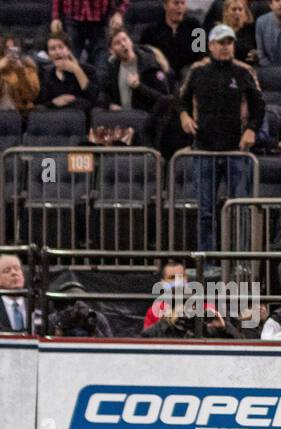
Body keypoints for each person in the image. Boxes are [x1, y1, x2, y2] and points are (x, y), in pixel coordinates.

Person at [178, 24, 265, 253]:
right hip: (204, 148)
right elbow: (181, 99)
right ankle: (206, 261)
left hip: (235, 149)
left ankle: (241, 260)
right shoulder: (197, 71)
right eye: (221, 43)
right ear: (211, 46)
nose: (226, 47)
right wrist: (184, 115)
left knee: (240, 209)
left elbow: (259, 105)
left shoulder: (244, 71)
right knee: (205, 210)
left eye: (229, 43)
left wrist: (252, 129)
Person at [101, 29, 174, 114]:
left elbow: (165, 99)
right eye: (117, 43)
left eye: (125, 39)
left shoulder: (149, 64)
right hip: (122, 118)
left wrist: (139, 87)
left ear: (131, 41)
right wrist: (110, 105)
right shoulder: (112, 68)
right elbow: (103, 94)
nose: (123, 44)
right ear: (111, 50)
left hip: (146, 118)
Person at [49, 0, 124, 69]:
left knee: (101, 65)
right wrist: (56, 17)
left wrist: (119, 13)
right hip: (73, 16)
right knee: (69, 63)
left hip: (99, 20)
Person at [141, 0, 204, 80]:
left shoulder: (195, 26)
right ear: (165, 6)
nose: (180, 6)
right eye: (176, 3)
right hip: (162, 76)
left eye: (182, 3)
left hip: (188, 76)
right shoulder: (151, 31)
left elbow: (201, 55)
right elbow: (144, 54)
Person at [38, 33, 96, 110]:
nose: (57, 52)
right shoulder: (46, 74)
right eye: (52, 49)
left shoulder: (88, 70)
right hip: (56, 116)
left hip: (81, 115)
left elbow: (94, 98)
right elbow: (42, 101)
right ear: (48, 54)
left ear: (68, 50)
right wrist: (54, 102)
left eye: (61, 47)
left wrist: (77, 70)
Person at [143, 259, 189, 329]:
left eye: (180, 276)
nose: (177, 281)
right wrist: (166, 322)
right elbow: (146, 337)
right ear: (163, 282)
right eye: (172, 277)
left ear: (186, 278)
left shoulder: (200, 305)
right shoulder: (154, 311)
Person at [0, 37, 40, 114]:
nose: (11, 53)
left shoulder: (29, 69)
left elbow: (30, 97)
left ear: (20, 51)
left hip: (21, 114)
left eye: (14, 49)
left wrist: (21, 72)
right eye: (8, 49)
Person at [221, 0, 259, 66]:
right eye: (234, 9)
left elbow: (255, 54)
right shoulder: (220, 31)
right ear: (226, 12)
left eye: (240, 9)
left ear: (245, 13)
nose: (237, 12)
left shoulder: (253, 30)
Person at [0, 255, 31, 333]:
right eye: (7, 271)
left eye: (17, 269)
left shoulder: (39, 303)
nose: (14, 273)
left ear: (23, 275)